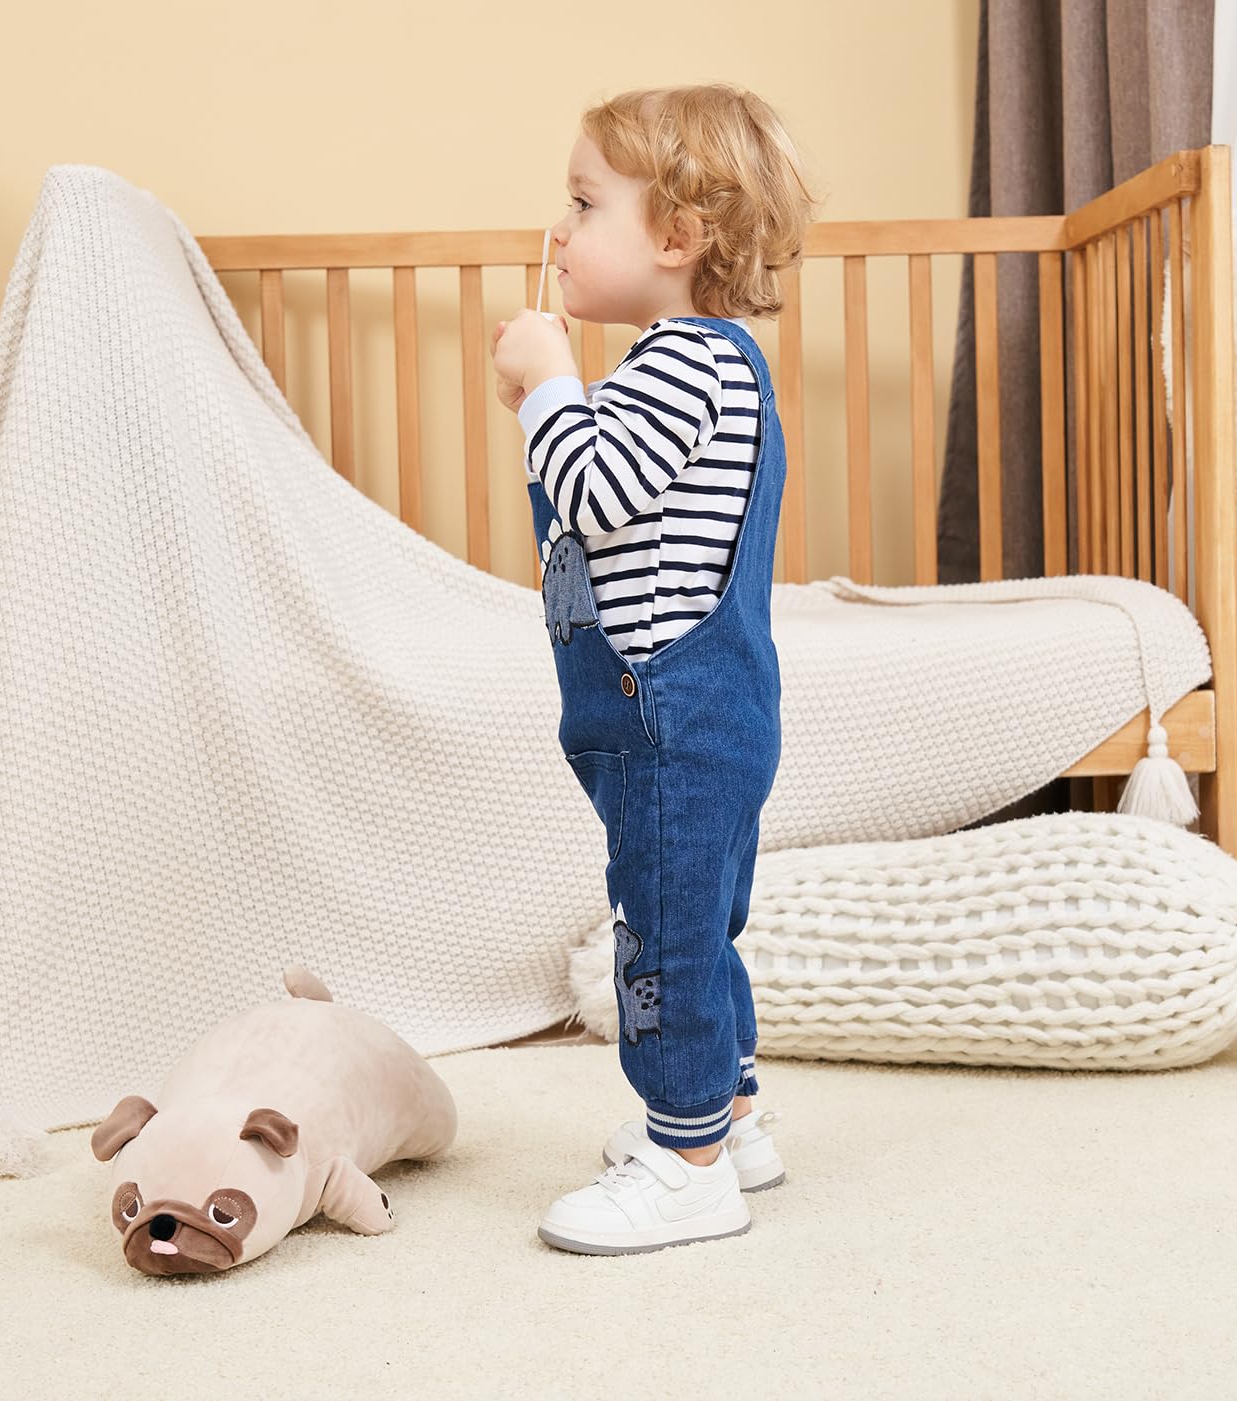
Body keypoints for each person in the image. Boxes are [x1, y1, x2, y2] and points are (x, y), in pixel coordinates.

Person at [489, 82, 821, 1255]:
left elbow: (591, 490)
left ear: (677, 237)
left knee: (665, 940)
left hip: (672, 716)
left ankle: (685, 1167)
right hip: (685, 714)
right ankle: (730, 1118)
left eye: (583, 204)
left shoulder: (683, 362)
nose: (558, 231)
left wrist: (547, 384)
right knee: (695, 924)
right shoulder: (684, 364)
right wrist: (551, 399)